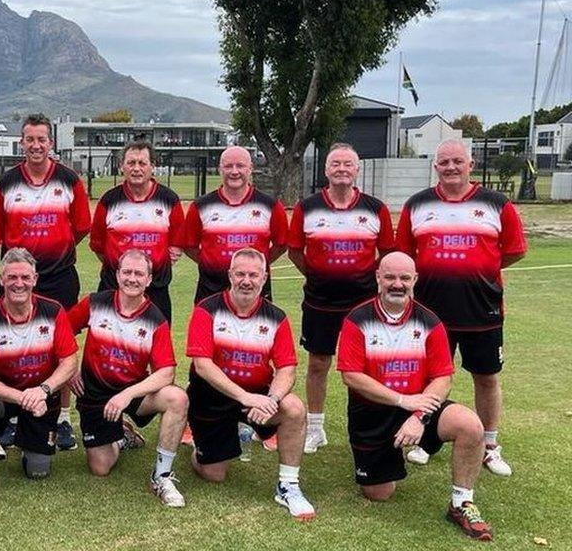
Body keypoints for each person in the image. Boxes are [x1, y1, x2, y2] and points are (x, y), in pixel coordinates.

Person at [338, 252, 495, 541]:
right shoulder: (357, 319)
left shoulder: (430, 321)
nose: (397, 284)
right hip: (372, 412)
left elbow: (443, 378)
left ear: (415, 281)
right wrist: (402, 400)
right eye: (390, 277)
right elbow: (351, 375)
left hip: (420, 406)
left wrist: (417, 415)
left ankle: (462, 503)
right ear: (377, 278)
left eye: (404, 278)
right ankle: (380, 454)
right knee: (379, 494)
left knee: (470, 426)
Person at [396, 139, 527, 475]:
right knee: (430, 378)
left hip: (482, 310)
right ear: (435, 167)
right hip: (429, 312)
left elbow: (513, 251)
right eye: (444, 162)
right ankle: (427, 438)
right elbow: (404, 256)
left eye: (457, 161)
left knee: (486, 378)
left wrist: (477, 272)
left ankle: (490, 445)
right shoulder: (417, 204)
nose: (451, 167)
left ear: (470, 164)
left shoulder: (497, 204)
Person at [0, 113, 91, 450]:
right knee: (9, 343)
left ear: (51, 143)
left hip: (59, 278)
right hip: (16, 278)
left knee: (63, 348)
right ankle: (12, 417)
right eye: (30, 139)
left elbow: (82, 226)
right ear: (22, 142)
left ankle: (61, 420)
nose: (36, 145)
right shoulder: (6, 183)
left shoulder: (70, 180)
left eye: (42, 139)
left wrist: (55, 251)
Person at [185, 248, 315, 521]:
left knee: (293, 407)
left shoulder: (276, 317)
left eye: (253, 275)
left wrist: (272, 398)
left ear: (264, 277)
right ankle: (201, 444)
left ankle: (288, 486)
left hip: (257, 396)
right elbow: (203, 366)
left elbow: (287, 369)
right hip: (211, 396)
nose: (246, 280)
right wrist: (245, 397)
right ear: (230, 275)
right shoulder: (206, 309)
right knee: (213, 474)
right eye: (240, 274)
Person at [287, 143, 395, 453]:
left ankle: (369, 426)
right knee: (318, 364)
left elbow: (388, 254)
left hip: (364, 306)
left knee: (365, 368)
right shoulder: (307, 207)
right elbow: (296, 250)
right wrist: (318, 275)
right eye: (336, 164)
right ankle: (316, 428)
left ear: (357, 170)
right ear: (326, 170)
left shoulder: (375, 208)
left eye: (348, 164)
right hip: (320, 302)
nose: (342, 169)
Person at [0, 248, 79, 507]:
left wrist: (43, 390)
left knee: (38, 471)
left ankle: (28, 440)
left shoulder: (54, 311)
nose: (18, 283)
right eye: (12, 277)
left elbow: (69, 361)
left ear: (35, 279)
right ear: (1, 280)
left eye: (25, 277)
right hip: (7, 397)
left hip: (42, 398)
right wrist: (24, 396)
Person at [67, 250, 189, 507]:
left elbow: (166, 372)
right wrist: (70, 368)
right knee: (100, 467)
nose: (132, 278)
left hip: (133, 391)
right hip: (95, 394)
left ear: (149, 279)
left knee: (177, 398)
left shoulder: (156, 318)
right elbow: (61, 332)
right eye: (127, 272)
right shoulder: (95, 303)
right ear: (117, 275)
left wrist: (127, 394)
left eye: (139, 274)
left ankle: (162, 476)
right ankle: (120, 436)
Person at [89, 140, 184, 324]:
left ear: (153, 167)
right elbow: (99, 245)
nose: (136, 168)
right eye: (131, 163)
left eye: (142, 163)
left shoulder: (169, 199)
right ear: (122, 166)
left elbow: (176, 245)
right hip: (113, 287)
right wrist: (123, 268)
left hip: (156, 290)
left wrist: (151, 269)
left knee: (156, 347)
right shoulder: (109, 200)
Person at [182, 145, 288, 303]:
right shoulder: (200, 206)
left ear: (250, 169)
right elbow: (189, 245)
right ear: (220, 169)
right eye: (228, 166)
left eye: (240, 166)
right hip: (210, 291)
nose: (234, 171)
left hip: (254, 293)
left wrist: (256, 264)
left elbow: (281, 245)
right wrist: (210, 264)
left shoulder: (271, 206)